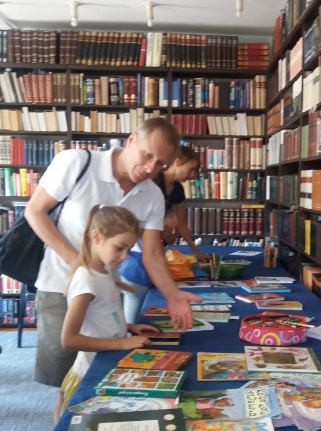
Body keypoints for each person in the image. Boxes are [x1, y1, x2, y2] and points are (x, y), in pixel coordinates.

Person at [24, 117, 200, 393]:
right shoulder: (76, 162)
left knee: (100, 373)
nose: (150, 168)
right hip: (59, 284)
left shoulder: (152, 195)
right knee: (64, 376)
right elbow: (35, 211)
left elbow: (153, 254)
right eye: (147, 155)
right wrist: (78, 264)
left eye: (161, 164)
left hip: (105, 289)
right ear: (131, 140)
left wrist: (172, 295)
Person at [59, 204, 159, 414]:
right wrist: (121, 343)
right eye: (119, 247)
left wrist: (128, 326)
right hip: (90, 373)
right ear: (96, 236)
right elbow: (69, 339)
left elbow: (103, 313)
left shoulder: (105, 271)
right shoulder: (86, 281)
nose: (124, 257)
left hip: (107, 366)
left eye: (129, 250)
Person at [120, 144, 210, 323]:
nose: (192, 175)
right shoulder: (152, 183)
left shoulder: (178, 190)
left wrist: (196, 251)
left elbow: (182, 224)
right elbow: (134, 219)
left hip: (154, 246)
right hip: (136, 251)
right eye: (191, 169)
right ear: (177, 162)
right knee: (135, 296)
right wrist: (162, 231)